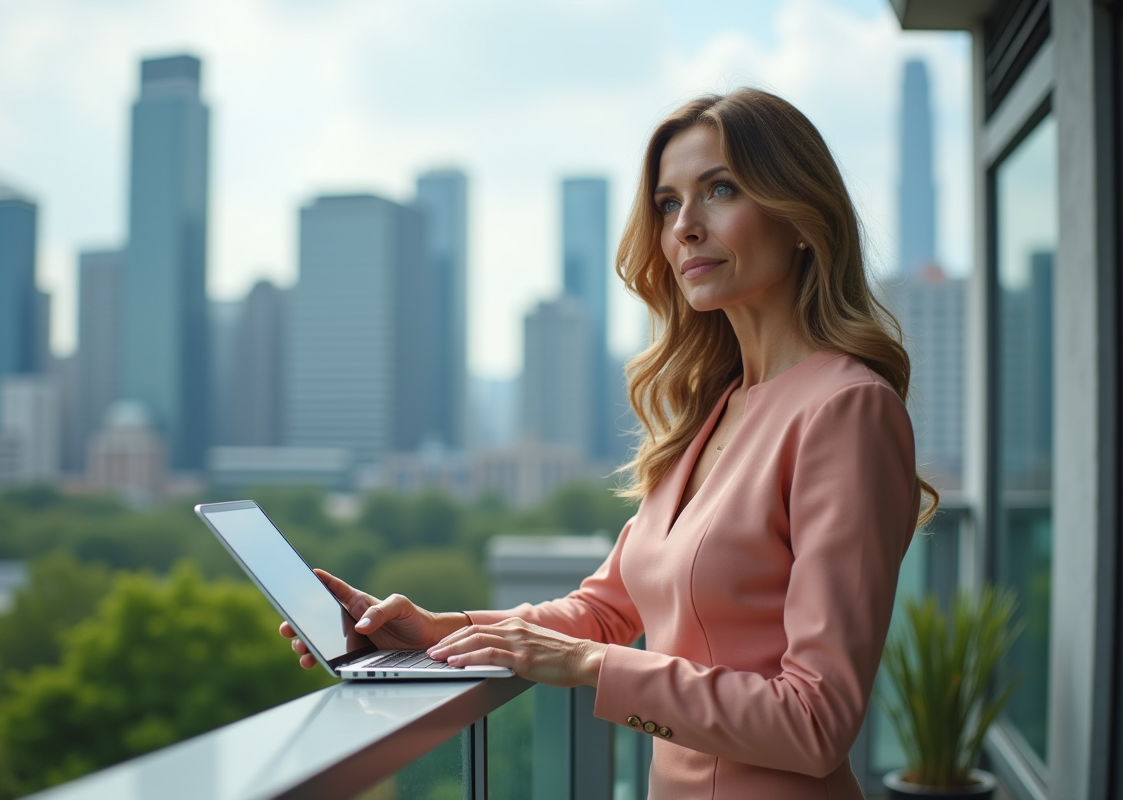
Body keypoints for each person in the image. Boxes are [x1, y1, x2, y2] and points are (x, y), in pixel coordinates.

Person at [281, 89, 936, 799]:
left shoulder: (846, 410)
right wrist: (439, 632)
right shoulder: (713, 411)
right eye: (668, 203)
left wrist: (592, 667)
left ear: (802, 216)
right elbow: (603, 610)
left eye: (720, 189)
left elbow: (815, 723)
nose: (685, 227)